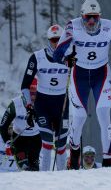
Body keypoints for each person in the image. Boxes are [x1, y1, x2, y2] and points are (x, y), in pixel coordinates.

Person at [53, 0, 111, 168]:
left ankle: (108, 162)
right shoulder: (73, 26)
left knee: (103, 116)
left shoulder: (110, 27)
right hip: (80, 76)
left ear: (100, 16)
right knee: (79, 118)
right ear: (82, 16)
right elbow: (57, 54)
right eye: (87, 18)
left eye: (95, 17)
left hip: (101, 74)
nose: (91, 22)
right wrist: (67, 60)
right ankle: (74, 154)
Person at [20, 24, 70, 171]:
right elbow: (25, 86)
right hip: (43, 104)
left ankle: (65, 181)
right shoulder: (37, 57)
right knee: (47, 143)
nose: (56, 43)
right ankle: (44, 181)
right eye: (53, 40)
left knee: (61, 146)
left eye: (59, 39)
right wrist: (29, 107)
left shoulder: (70, 56)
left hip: (62, 103)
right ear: (48, 40)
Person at [0, 79, 41, 171]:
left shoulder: (41, 102)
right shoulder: (16, 104)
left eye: (35, 93)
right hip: (19, 140)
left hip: (36, 140)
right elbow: (3, 125)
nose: (33, 96)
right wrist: (7, 142)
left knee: (35, 170)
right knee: (24, 169)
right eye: (30, 93)